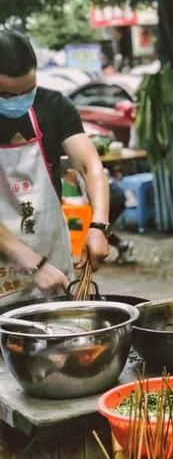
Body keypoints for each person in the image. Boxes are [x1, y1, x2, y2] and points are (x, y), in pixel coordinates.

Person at [0, 30, 110, 303]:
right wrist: (32, 263)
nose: (19, 100)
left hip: (52, 256)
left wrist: (99, 225)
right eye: (6, 94)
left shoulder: (54, 106)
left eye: (28, 91)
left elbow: (90, 166)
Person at [60, 161, 133, 262]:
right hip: (114, 196)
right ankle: (119, 246)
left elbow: (85, 202)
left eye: (66, 178)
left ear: (70, 173)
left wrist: (65, 200)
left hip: (114, 198)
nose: (67, 181)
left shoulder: (82, 179)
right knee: (99, 227)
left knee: (98, 227)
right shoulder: (83, 174)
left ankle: (122, 246)